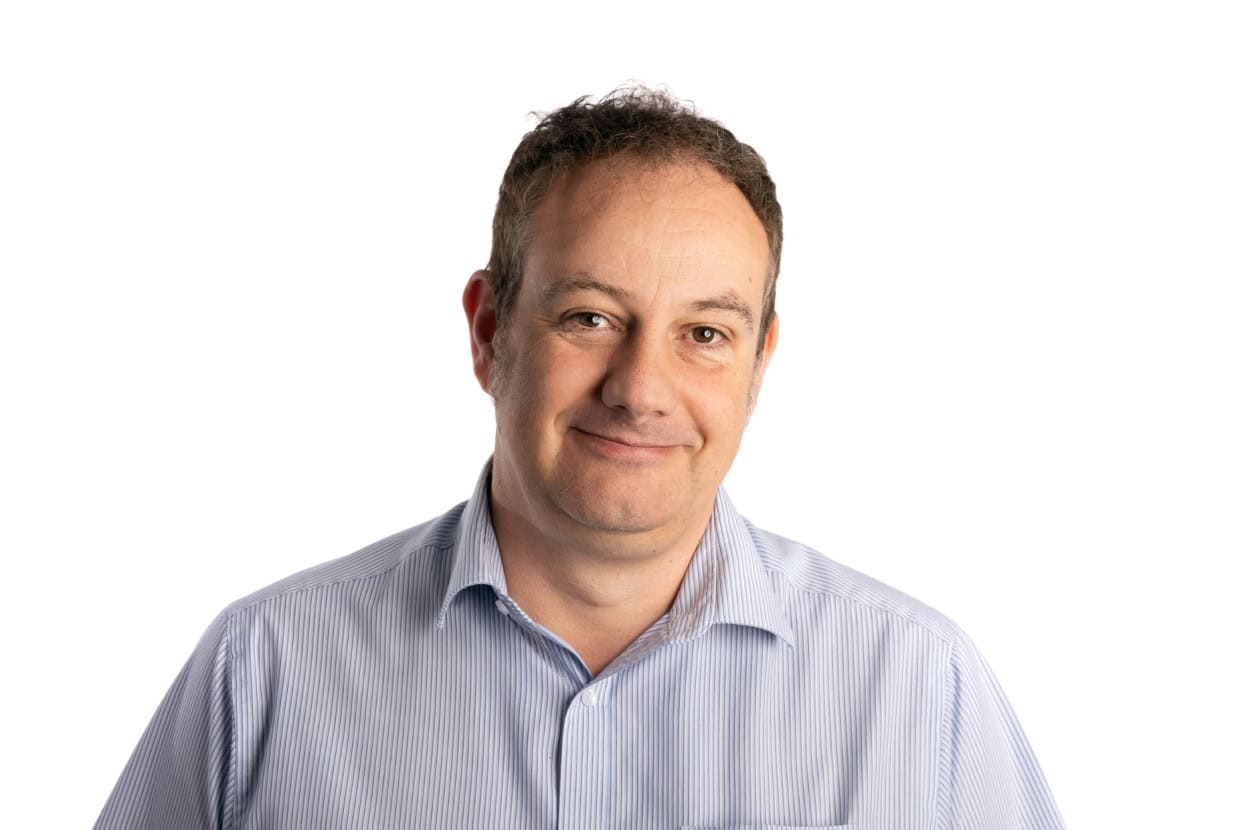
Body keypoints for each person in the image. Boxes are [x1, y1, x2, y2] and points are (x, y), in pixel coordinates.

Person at [96, 88, 1065, 829]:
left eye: (705, 332)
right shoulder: (267, 668)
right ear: (488, 331)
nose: (639, 386)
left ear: (759, 362)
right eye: (589, 317)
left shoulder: (917, 687)